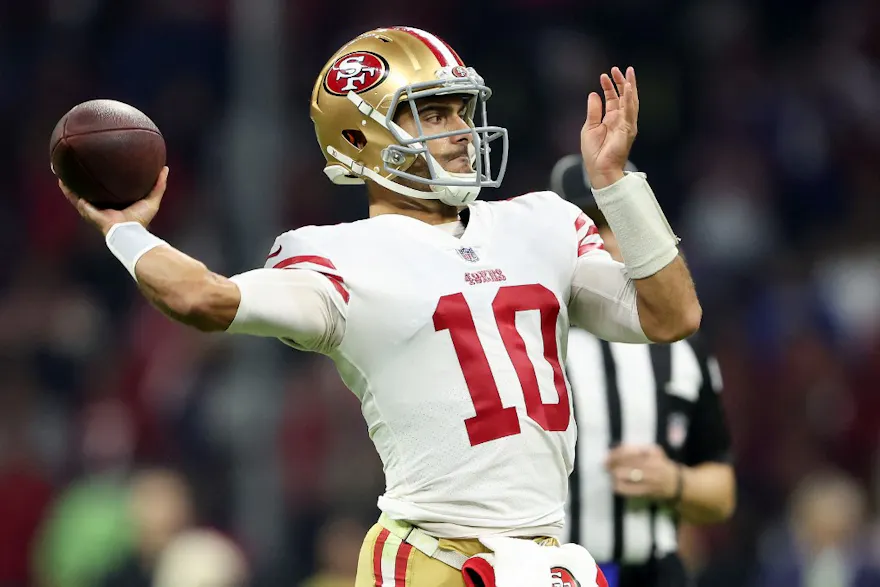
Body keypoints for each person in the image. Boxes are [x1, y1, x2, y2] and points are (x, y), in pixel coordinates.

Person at [59, 26, 701, 587]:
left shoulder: (544, 221)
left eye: (462, 108)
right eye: (435, 113)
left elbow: (673, 316)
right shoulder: (337, 256)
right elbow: (201, 297)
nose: (462, 132)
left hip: (544, 555)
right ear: (361, 138)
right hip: (432, 556)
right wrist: (126, 229)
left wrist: (617, 185)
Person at [550, 155, 735, 587]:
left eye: (620, 221)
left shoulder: (684, 348)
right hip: (547, 573)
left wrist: (673, 481)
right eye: (591, 223)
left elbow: (721, 491)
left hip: (652, 573)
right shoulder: (528, 338)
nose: (607, 240)